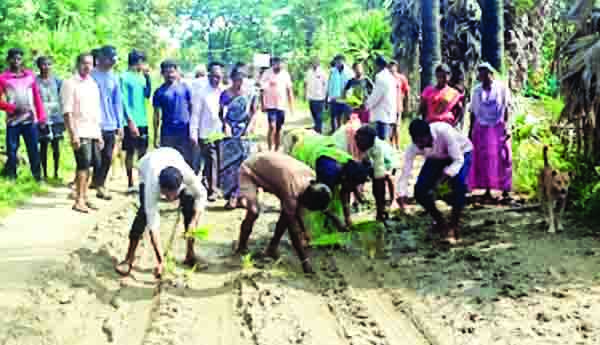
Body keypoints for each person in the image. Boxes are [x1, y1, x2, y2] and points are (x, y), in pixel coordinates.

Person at [233, 151, 333, 274]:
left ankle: (271, 248)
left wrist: (304, 230)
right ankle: (241, 247)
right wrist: (304, 261)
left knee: (286, 215)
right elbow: (292, 230)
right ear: (308, 200)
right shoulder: (292, 191)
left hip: (269, 168)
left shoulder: (311, 178)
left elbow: (295, 211)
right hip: (250, 169)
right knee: (254, 211)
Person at [115, 147, 207, 278]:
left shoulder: (187, 175)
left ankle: (190, 254)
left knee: (189, 205)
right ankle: (128, 258)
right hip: (146, 167)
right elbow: (153, 223)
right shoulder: (152, 182)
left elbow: (202, 195)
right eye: (165, 194)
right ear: (160, 187)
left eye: (172, 195)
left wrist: (194, 221)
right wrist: (161, 261)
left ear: (180, 185)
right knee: (143, 214)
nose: (169, 199)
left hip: (172, 155)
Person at [396, 119, 473, 244]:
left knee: (459, 185)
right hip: (436, 158)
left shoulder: (444, 131)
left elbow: (458, 160)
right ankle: (440, 221)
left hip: (461, 153)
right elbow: (405, 172)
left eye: (421, 142)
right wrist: (401, 194)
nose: (419, 146)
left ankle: (453, 226)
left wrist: (445, 177)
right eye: (416, 142)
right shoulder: (414, 147)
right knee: (419, 191)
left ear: (428, 135)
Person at [287, 132, 371, 232]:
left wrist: (347, 218)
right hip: (303, 151)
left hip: (321, 145)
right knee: (305, 197)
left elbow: (345, 190)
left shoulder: (350, 165)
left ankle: (329, 224)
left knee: (334, 201)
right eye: (352, 185)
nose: (352, 188)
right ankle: (301, 230)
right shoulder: (328, 173)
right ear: (344, 178)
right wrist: (335, 219)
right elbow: (320, 200)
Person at [61, 52, 103, 213]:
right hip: (79, 130)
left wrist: (99, 134)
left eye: (90, 64)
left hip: (92, 130)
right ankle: (78, 200)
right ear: (78, 64)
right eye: (84, 63)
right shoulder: (70, 83)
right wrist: (73, 134)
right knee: (83, 164)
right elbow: (67, 111)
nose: (87, 67)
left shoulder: (92, 84)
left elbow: (96, 111)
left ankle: (85, 196)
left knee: (93, 164)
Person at [468, 62, 513, 204]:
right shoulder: (476, 91)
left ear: (490, 74)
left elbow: (506, 108)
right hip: (482, 127)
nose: (482, 76)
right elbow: (473, 112)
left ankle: (505, 189)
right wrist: (471, 130)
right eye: (480, 73)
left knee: (504, 156)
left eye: (485, 73)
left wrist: (508, 126)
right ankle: (487, 189)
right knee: (484, 158)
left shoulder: (501, 88)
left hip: (498, 126)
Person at [0, 48, 46, 182]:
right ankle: (12, 176)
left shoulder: (29, 76)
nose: (16, 61)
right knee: (12, 150)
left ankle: (38, 177)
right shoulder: (3, 78)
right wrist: (13, 108)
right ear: (8, 60)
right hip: (13, 121)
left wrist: (41, 117)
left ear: (22, 60)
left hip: (30, 120)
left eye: (19, 59)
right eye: (13, 58)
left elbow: (37, 98)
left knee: (33, 149)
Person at [219, 70, 258, 209]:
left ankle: (241, 196)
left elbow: (254, 112)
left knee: (244, 164)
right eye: (236, 80)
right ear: (231, 79)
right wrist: (226, 126)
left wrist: (250, 126)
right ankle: (231, 196)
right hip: (230, 133)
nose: (239, 83)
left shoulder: (251, 93)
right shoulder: (225, 95)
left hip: (245, 133)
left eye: (241, 80)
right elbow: (221, 114)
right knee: (230, 166)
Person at [91, 45, 124, 200]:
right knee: (94, 156)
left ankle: (101, 184)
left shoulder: (114, 77)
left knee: (107, 156)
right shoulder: (91, 75)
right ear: (101, 58)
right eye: (110, 59)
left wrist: (120, 124)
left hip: (110, 123)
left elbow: (118, 102)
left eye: (114, 59)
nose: (112, 62)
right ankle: (91, 182)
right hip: (93, 123)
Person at [191, 62, 224, 202]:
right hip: (205, 132)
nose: (216, 79)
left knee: (218, 160)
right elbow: (195, 114)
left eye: (219, 77)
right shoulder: (202, 92)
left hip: (219, 132)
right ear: (209, 75)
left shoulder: (223, 91)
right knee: (212, 161)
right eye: (214, 76)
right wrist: (193, 132)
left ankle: (209, 184)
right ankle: (213, 189)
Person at [120, 50, 152, 193]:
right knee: (130, 152)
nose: (143, 65)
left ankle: (142, 181)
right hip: (130, 121)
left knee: (143, 153)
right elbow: (123, 100)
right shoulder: (124, 77)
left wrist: (148, 77)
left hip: (143, 120)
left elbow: (147, 95)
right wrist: (130, 121)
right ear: (137, 61)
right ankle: (130, 181)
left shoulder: (142, 77)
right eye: (142, 62)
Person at [152, 60, 193, 166]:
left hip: (184, 130)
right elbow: (156, 115)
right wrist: (156, 135)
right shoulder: (159, 92)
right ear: (162, 74)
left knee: (186, 160)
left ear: (177, 72)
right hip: (167, 132)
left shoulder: (185, 88)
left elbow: (192, 108)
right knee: (168, 161)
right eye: (167, 72)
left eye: (172, 72)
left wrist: (193, 130)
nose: (170, 75)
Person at [36, 56, 63, 181]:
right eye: (43, 64)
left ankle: (57, 172)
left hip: (56, 118)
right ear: (39, 66)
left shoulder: (57, 81)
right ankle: (45, 173)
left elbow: (62, 98)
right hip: (41, 118)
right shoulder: (35, 82)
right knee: (43, 146)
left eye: (48, 64)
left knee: (56, 146)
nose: (46, 67)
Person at [260, 57, 294, 151]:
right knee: (272, 126)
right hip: (270, 105)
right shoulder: (267, 73)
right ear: (273, 64)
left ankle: (276, 149)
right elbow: (262, 90)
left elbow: (289, 90)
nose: (278, 65)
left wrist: (291, 106)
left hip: (281, 105)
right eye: (276, 63)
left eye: (280, 63)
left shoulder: (285, 74)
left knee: (279, 129)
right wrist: (262, 104)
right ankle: (270, 149)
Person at [366, 56, 397, 142]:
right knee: (385, 142)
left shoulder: (380, 77)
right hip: (389, 115)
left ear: (378, 65)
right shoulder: (391, 77)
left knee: (380, 142)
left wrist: (366, 105)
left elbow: (376, 96)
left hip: (381, 116)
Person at [327, 55, 353, 133]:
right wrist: (329, 98)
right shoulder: (332, 71)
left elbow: (351, 86)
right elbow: (330, 85)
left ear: (343, 61)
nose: (337, 63)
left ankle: (346, 134)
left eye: (339, 61)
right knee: (335, 118)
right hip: (334, 100)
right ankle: (336, 133)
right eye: (336, 62)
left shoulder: (349, 72)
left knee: (346, 120)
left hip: (346, 100)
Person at [388, 60, 410, 149]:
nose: (391, 68)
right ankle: (390, 145)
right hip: (387, 107)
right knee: (389, 128)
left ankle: (397, 146)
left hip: (397, 106)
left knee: (396, 127)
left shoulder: (401, 78)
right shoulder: (386, 78)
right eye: (390, 66)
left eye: (393, 66)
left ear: (396, 67)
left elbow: (407, 91)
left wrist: (407, 104)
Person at [304, 57, 328, 133]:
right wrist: (304, 94)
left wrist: (326, 98)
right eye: (313, 62)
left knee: (319, 117)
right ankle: (317, 129)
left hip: (320, 99)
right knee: (314, 116)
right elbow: (305, 83)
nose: (314, 63)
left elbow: (326, 85)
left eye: (316, 62)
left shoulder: (322, 72)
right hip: (311, 98)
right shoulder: (309, 72)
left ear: (318, 63)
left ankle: (319, 132)